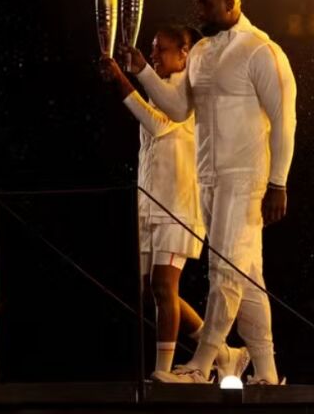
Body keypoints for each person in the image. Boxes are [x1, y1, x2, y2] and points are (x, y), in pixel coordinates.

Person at [118, 0, 297, 384]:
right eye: (198, 4)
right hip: (208, 178)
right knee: (247, 276)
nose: (197, 13)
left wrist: (278, 182)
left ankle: (202, 364)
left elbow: (285, 119)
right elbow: (179, 108)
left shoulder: (261, 51)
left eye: (205, 5)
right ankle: (267, 372)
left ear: (231, 3)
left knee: (225, 270)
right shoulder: (200, 52)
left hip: (246, 177)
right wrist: (144, 72)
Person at [101, 24, 249, 382]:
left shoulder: (189, 91)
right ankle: (225, 353)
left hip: (178, 208)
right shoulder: (159, 89)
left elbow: (157, 124)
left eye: (161, 50)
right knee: (154, 288)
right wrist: (131, 73)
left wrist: (124, 78)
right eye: (152, 49)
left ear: (186, 53)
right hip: (153, 203)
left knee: (165, 287)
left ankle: (163, 373)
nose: (154, 56)